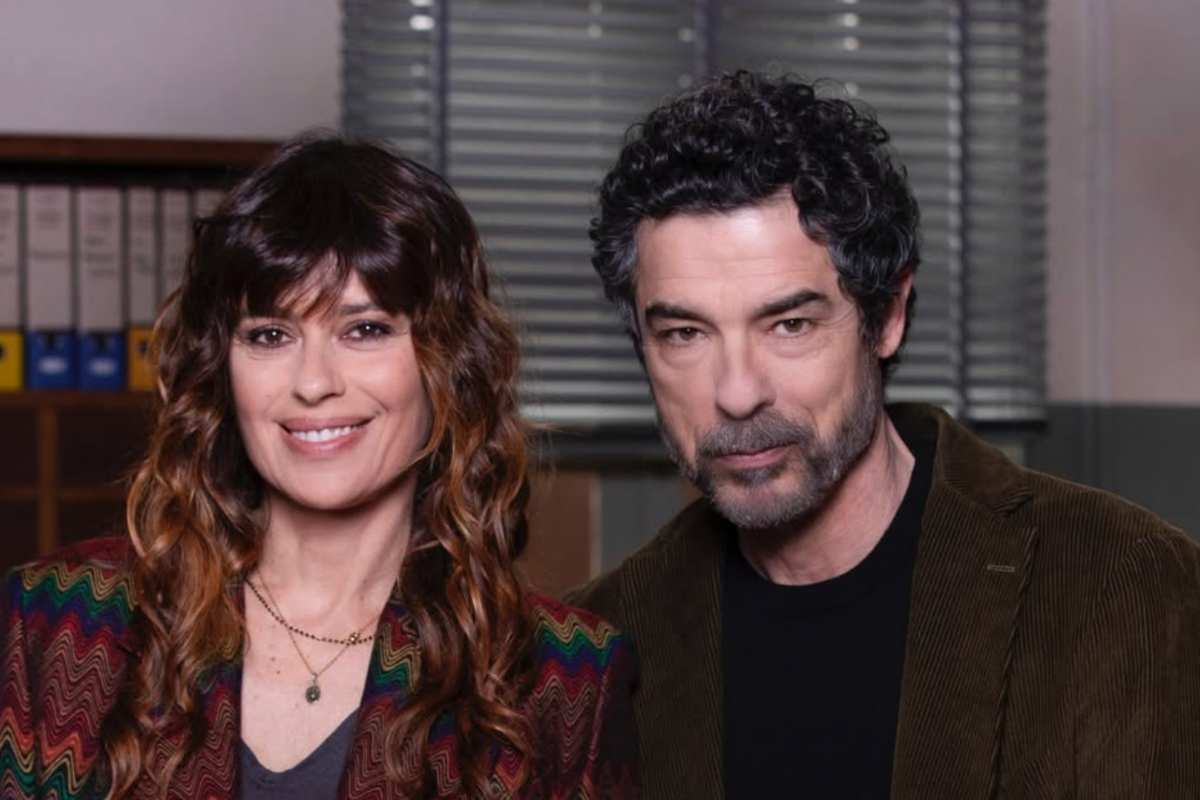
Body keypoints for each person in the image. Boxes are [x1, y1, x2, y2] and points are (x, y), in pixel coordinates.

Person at [571, 70, 1200, 798]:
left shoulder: (1123, 584)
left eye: (790, 324)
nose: (737, 393)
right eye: (685, 333)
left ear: (888, 316)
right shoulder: (597, 644)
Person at [0, 136, 637, 799]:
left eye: (365, 330)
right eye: (270, 335)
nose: (312, 383)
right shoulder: (62, 622)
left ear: (449, 362)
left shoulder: (566, 680)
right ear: (223, 370)